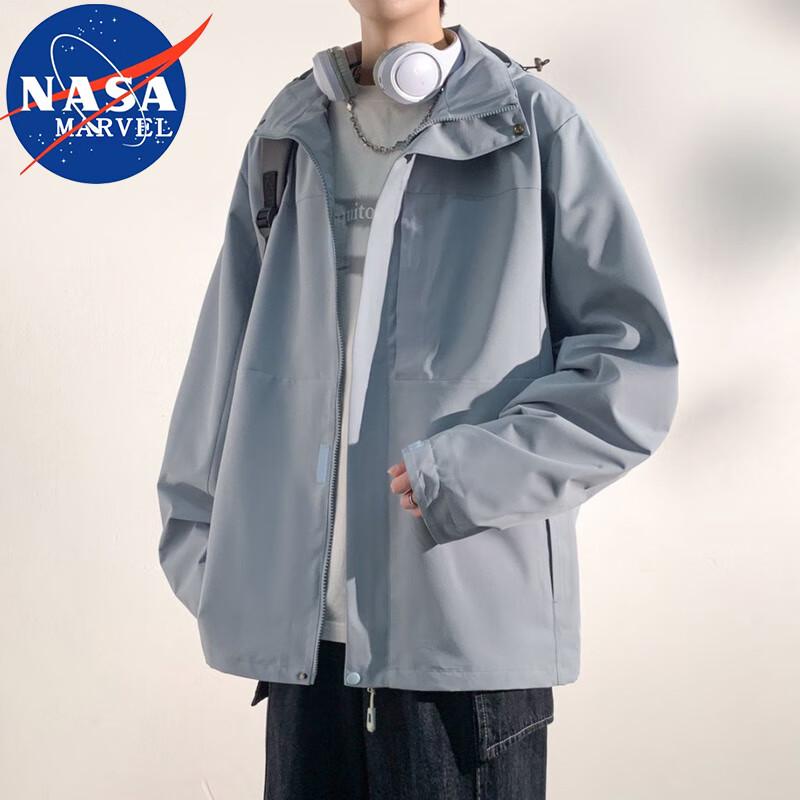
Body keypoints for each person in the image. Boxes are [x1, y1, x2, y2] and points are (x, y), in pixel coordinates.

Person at [156, 1, 679, 797]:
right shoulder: (289, 130)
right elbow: (227, 354)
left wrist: (467, 476)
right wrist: (214, 555)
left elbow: (633, 371)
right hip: (305, 655)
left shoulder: (531, 126)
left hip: (462, 653)